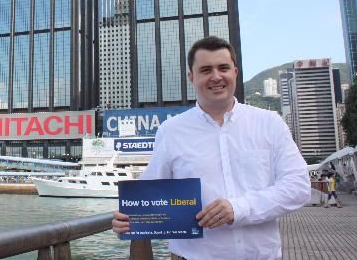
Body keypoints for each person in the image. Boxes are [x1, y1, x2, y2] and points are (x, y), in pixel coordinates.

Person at [112, 36, 311, 260]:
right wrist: (129, 217)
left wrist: (239, 208)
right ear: (192, 77)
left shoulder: (270, 123)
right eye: (206, 70)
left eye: (223, 68)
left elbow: (298, 186)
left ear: (235, 72)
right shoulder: (170, 131)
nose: (216, 77)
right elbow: (150, 194)